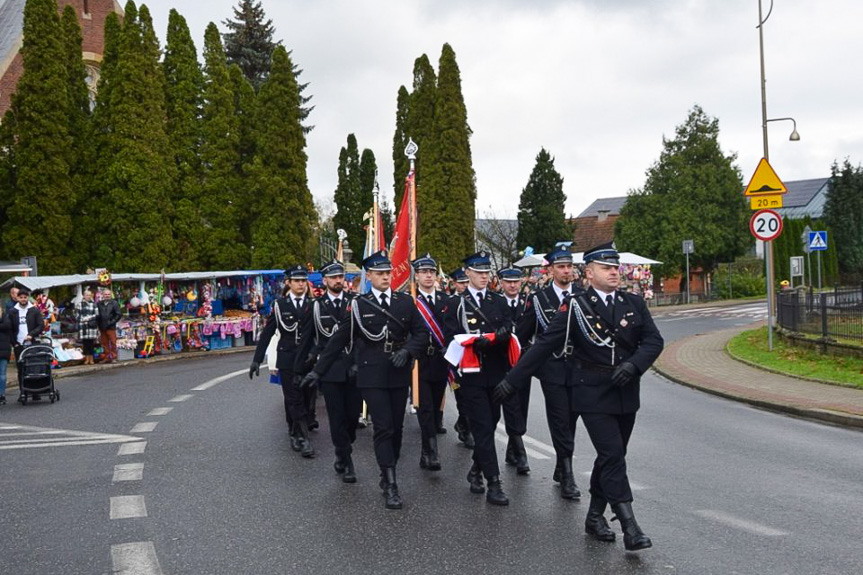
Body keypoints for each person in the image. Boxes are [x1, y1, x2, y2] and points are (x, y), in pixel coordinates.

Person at [496, 241, 664, 551]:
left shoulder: (634, 303)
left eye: (616, 267)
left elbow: (653, 341)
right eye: (606, 267)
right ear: (588, 272)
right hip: (592, 391)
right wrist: (512, 379)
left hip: (626, 391)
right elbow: (543, 345)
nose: (614, 272)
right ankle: (629, 524)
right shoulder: (575, 306)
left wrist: (633, 365)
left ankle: (594, 516)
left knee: (612, 456)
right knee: (612, 454)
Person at [301, 250, 428, 510]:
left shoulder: (405, 302)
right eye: (379, 273)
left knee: (397, 428)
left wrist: (407, 351)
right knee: (383, 426)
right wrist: (318, 371)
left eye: (388, 273)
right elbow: (338, 340)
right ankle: (390, 481)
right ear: (368, 276)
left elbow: (421, 334)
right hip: (371, 375)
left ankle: (389, 468)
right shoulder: (359, 305)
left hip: (398, 372)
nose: (385, 277)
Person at [443, 251, 519, 506]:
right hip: (472, 376)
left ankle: (476, 469)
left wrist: (498, 336)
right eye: (479, 272)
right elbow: (450, 337)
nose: (484, 277)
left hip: (497, 373)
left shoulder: (498, 301)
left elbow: (509, 328)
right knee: (484, 428)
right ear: (468, 273)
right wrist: (476, 343)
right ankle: (494, 483)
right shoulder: (457, 304)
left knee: (492, 421)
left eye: (487, 272)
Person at [516, 244, 583, 499]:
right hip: (552, 367)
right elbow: (523, 333)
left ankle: (561, 462)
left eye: (569, 266)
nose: (566, 271)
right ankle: (567, 473)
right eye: (561, 267)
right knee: (559, 418)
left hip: (579, 368)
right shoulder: (539, 298)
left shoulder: (583, 295)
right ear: (551, 269)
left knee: (573, 418)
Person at [295, 260, 361, 482]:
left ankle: (345, 444)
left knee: (352, 417)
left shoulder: (355, 302)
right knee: (337, 417)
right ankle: (345, 458)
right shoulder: (316, 306)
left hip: (353, 368)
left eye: (341, 277)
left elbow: (362, 336)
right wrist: (298, 370)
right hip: (330, 370)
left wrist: (359, 362)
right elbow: (306, 340)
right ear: (324, 281)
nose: (338, 280)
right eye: (333, 277)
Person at [250, 266, 316, 458]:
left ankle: (295, 430)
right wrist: (257, 359)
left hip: (307, 359)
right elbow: (268, 333)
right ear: (288, 282)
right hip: (287, 358)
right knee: (293, 398)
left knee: (305, 397)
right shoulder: (280, 305)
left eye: (303, 280)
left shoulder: (313, 304)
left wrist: (315, 353)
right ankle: (303, 439)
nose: (301, 284)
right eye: (297, 281)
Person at [412, 253, 449, 472]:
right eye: (424, 272)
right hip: (419, 361)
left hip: (440, 359)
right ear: (416, 276)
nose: (428, 276)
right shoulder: (410, 301)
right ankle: (430, 451)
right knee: (424, 407)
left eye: (431, 272)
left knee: (435, 407)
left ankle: (427, 449)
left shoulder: (446, 300)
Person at [497, 266, 531, 475]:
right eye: (508, 281)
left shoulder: (528, 304)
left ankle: (512, 448)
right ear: (501, 283)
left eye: (516, 281)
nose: (512, 285)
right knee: (510, 404)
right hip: (501, 361)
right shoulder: (495, 303)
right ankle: (520, 451)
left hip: (523, 362)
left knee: (522, 405)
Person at [446, 266, 474, 449]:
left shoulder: (474, 301)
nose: (464, 285)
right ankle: (465, 424)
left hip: (473, 359)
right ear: (454, 284)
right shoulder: (452, 303)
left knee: (472, 395)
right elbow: (449, 331)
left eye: (466, 282)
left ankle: (465, 425)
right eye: (461, 282)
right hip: (456, 360)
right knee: (460, 394)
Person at [97, 288, 122, 363]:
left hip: (111, 326)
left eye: (108, 294)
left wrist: (112, 322)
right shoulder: (99, 304)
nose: (107, 296)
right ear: (103, 295)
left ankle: (114, 357)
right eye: (105, 294)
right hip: (102, 326)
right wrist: (98, 324)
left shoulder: (114, 303)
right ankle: (107, 357)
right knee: (104, 343)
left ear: (111, 295)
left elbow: (118, 314)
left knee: (113, 342)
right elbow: (97, 314)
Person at [75, 289, 99, 365]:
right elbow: (77, 316)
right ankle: (86, 359)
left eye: (89, 295)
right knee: (85, 343)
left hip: (91, 327)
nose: (88, 296)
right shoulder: (79, 304)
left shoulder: (94, 304)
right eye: (86, 295)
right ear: (84, 296)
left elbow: (97, 315)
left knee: (91, 343)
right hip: (83, 327)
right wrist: (83, 319)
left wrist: (87, 318)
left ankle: (91, 359)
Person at [0, 302, 13, 404]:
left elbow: (7, 326)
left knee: (2, 374)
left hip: (3, 350)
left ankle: (2, 394)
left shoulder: (6, 318)